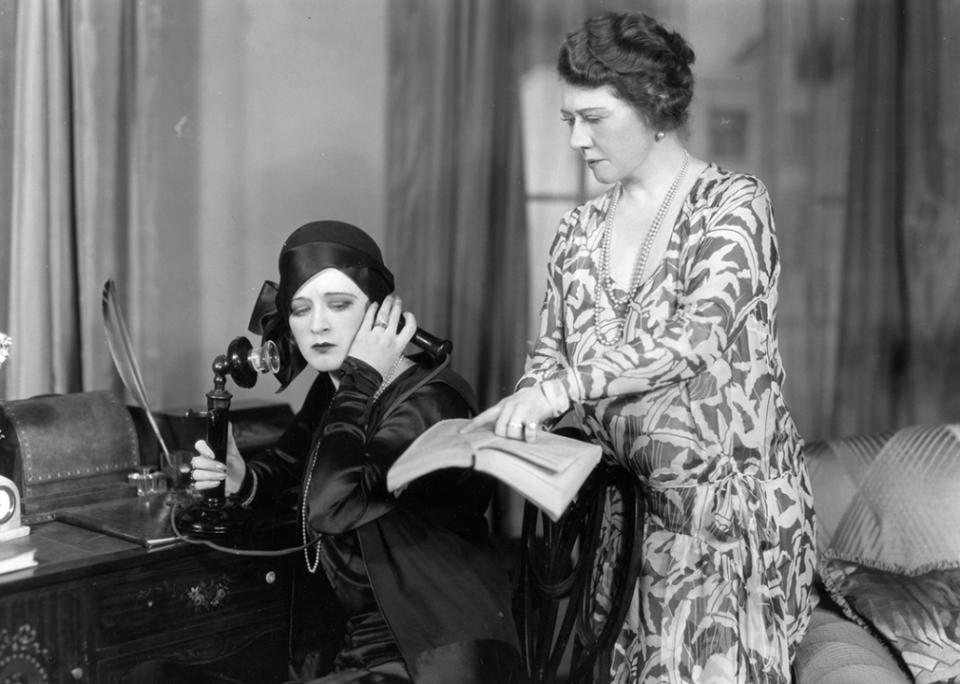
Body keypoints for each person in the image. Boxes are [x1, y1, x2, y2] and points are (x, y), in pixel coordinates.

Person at [470, 11, 817, 684]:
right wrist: (521, 404)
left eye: (593, 118)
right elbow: (550, 356)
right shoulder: (576, 231)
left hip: (727, 527)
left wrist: (563, 391)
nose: (575, 138)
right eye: (568, 118)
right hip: (622, 520)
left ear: (654, 107)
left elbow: (694, 340)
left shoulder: (733, 206)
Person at [191, 220, 526, 684]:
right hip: (361, 643)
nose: (318, 325)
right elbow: (293, 465)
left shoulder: (434, 400)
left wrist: (361, 377)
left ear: (380, 311)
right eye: (300, 309)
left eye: (340, 304)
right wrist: (242, 479)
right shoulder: (338, 388)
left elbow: (333, 504)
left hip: (434, 651)